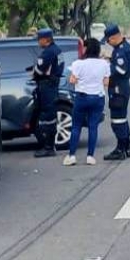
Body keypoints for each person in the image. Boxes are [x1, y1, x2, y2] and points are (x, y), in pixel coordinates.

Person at [62, 39, 110, 166]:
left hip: (81, 97)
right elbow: (106, 83)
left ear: (86, 48)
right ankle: (90, 156)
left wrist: (78, 80)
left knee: (76, 126)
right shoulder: (104, 64)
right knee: (93, 126)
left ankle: (72, 156)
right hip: (98, 98)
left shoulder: (78, 64)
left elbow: (72, 80)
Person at [103, 24, 130, 161]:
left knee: (117, 119)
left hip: (118, 88)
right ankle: (126, 147)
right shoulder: (124, 47)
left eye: (108, 40)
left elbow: (121, 70)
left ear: (114, 37)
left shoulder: (121, 51)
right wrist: (110, 59)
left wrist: (106, 65)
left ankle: (120, 149)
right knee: (122, 118)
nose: (108, 43)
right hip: (122, 87)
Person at [32, 28, 63, 157]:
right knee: (49, 116)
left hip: (47, 86)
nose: (38, 42)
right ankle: (49, 146)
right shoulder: (57, 50)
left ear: (46, 39)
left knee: (47, 117)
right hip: (53, 85)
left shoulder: (48, 52)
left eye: (40, 39)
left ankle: (49, 147)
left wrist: (34, 71)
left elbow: (39, 71)